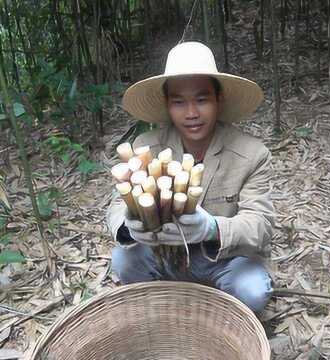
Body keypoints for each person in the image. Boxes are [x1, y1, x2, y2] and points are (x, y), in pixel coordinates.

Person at [106, 41, 275, 313]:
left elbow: (261, 225)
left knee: (252, 289)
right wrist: (128, 225)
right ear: (167, 105)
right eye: (179, 102)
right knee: (125, 261)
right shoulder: (145, 148)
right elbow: (116, 205)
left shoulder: (252, 154)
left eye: (202, 99)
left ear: (219, 100)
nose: (192, 113)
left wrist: (211, 228)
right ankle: (166, 305)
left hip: (222, 259)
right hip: (163, 255)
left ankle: (214, 308)